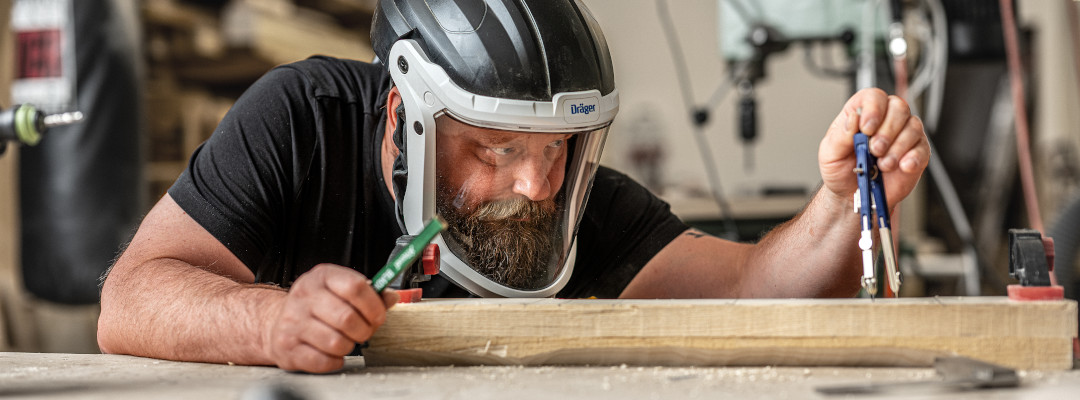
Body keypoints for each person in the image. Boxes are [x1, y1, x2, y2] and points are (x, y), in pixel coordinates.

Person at [98, 0, 929, 373]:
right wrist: (272, 320)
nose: (536, 185)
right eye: (494, 148)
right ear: (404, 115)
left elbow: (753, 290)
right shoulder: (300, 120)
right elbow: (130, 300)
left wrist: (842, 205)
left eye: (558, 148)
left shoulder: (567, 200)